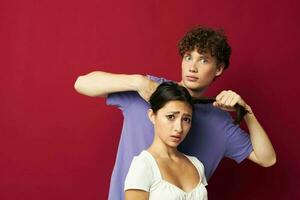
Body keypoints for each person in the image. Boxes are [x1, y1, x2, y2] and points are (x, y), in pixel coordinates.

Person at [74, 26, 276, 200]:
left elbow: (267, 159)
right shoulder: (150, 91)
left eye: (204, 60)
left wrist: (247, 112)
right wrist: (138, 82)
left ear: (219, 69)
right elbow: (82, 83)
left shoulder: (218, 120)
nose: (193, 67)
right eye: (188, 57)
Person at [124, 82, 207, 199]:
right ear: (152, 116)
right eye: (171, 117)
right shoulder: (144, 165)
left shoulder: (197, 165)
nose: (179, 128)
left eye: (186, 119)